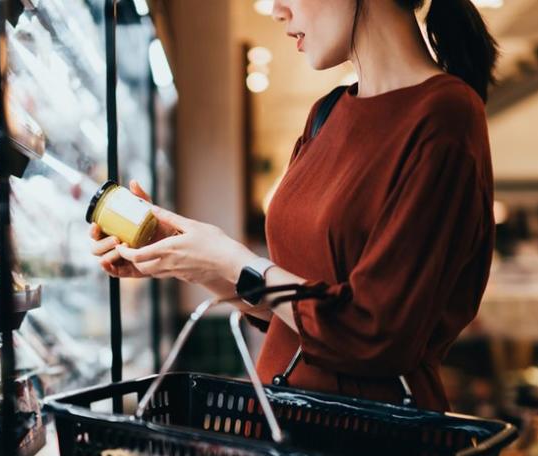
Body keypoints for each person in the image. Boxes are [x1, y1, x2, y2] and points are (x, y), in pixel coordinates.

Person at [91, 0, 497, 411]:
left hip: (365, 451)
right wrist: (180, 253)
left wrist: (233, 261)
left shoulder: (445, 116)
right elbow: (301, 315)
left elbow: (374, 333)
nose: (277, 10)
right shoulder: (326, 114)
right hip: (284, 435)